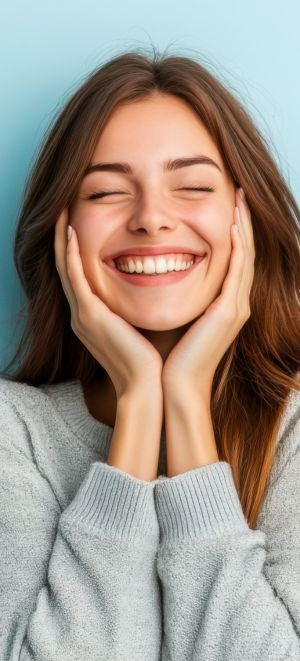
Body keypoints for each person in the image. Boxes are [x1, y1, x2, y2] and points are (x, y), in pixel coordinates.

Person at [0, 47, 299, 660]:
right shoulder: (13, 433)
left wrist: (186, 402)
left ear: (246, 217)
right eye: (107, 191)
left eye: (191, 186)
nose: (152, 219)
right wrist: (141, 406)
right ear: (62, 229)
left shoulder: (294, 432)